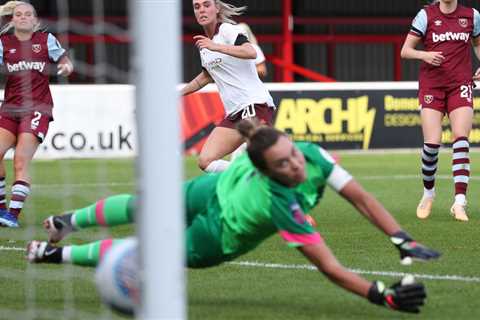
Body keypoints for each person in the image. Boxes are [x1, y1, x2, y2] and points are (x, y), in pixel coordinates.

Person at [27, 120, 440, 314]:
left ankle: (54, 256)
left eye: (294, 155)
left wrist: (398, 240)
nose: (296, 165)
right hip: (214, 198)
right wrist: (381, 290)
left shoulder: (306, 167)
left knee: (146, 252)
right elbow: (332, 264)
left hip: (216, 234)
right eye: (283, 163)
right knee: (143, 205)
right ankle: (69, 221)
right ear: (262, 168)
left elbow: (360, 202)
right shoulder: (275, 187)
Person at [400, 0, 480, 221]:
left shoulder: (472, 15)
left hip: (460, 84)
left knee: (461, 140)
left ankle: (460, 202)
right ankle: (428, 194)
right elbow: (405, 51)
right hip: (432, 85)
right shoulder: (426, 15)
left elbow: (477, 44)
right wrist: (424, 55)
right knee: (432, 145)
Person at [0, 1, 73, 228]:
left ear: (35, 20)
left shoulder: (45, 40)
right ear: (12, 20)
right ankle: (1, 209)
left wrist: (66, 65)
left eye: (28, 14)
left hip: (37, 109)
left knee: (21, 160)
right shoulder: (4, 43)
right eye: (18, 14)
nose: (23, 17)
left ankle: (12, 215)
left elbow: (64, 59)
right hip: (10, 108)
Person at [181, 0, 275, 173]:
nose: (201, 10)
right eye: (197, 6)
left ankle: (299, 169)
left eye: (206, 4)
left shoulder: (227, 30)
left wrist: (216, 46)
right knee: (206, 161)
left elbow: (250, 52)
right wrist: (180, 93)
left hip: (253, 104)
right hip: (234, 114)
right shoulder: (205, 45)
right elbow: (207, 77)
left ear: (216, 8)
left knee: (264, 156)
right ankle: (246, 175)